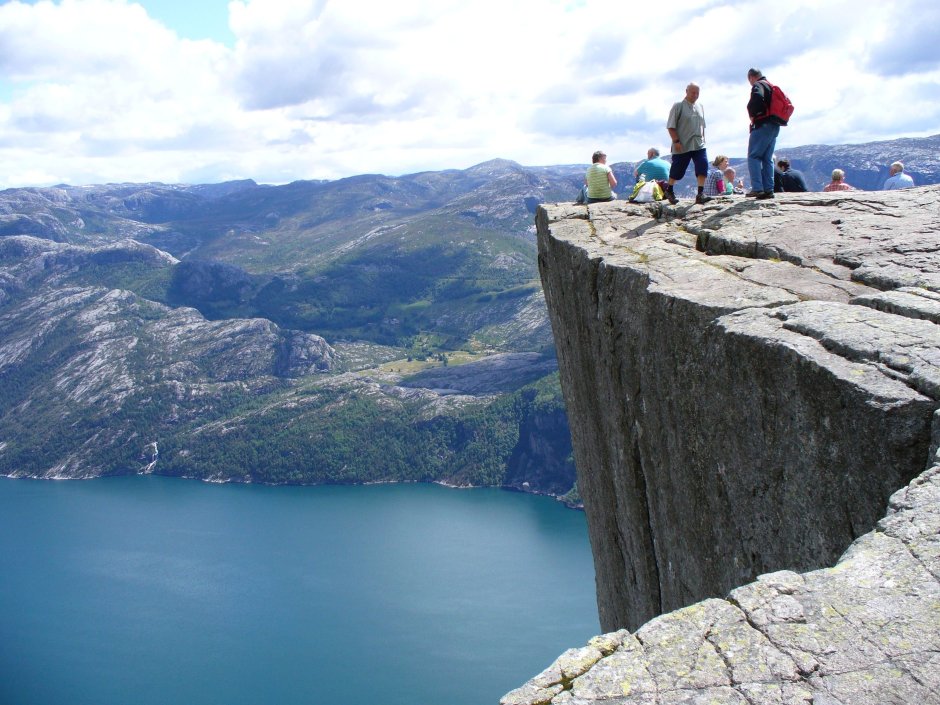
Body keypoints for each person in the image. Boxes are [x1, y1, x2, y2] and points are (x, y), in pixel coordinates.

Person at [665, 82, 710, 205]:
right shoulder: (678, 106)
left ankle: (700, 193)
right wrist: (676, 141)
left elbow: (702, 126)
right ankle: (669, 189)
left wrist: (703, 139)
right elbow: (670, 126)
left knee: (703, 164)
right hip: (682, 144)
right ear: (686, 91)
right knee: (678, 170)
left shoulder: (700, 106)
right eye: (693, 92)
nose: (695, 95)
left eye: (697, 93)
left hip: (698, 143)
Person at [746, 68, 783, 200]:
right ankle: (769, 189)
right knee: (767, 158)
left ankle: (757, 188)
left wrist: (753, 114)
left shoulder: (758, 85)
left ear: (751, 77)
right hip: (775, 125)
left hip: (762, 124)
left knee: (753, 156)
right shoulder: (770, 86)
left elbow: (757, 99)